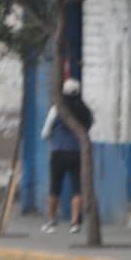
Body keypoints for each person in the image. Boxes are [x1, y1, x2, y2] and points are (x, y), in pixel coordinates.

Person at [43, 76, 92, 232]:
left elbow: (45, 133)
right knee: (76, 188)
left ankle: (51, 222)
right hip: (77, 153)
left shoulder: (56, 110)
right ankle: (75, 222)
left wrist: (53, 138)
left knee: (55, 188)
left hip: (58, 153)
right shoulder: (84, 111)